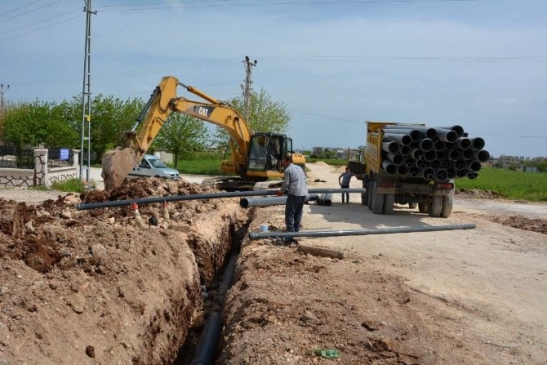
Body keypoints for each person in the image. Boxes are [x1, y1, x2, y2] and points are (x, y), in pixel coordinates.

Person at [277, 155, 308, 242]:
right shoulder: (299, 168)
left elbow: (286, 182)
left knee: (289, 213)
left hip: (294, 193)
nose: (282, 163)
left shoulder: (288, 170)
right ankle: (296, 231)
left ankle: (290, 235)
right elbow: (304, 178)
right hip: (303, 193)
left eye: (283, 161)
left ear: (288, 161)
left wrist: (281, 191)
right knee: (298, 212)